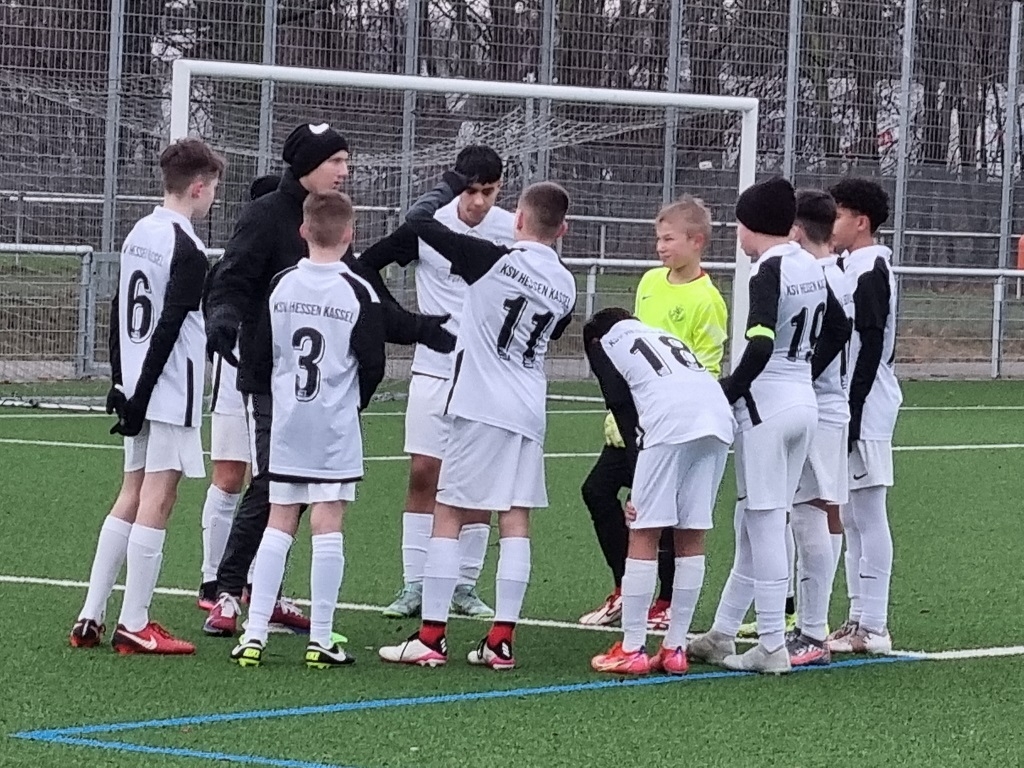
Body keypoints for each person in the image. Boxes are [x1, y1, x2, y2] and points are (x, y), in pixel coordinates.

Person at [203, 122, 456, 637]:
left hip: (316, 391)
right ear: (308, 166)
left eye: (345, 161)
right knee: (272, 484)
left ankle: (263, 593)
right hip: (268, 379)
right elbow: (231, 277)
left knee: (291, 491)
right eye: (336, 161)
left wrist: (424, 329)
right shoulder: (266, 214)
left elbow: (368, 301)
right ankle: (225, 591)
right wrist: (223, 320)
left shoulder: (328, 222)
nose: (344, 171)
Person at [378, 173, 576, 670]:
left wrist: (450, 187)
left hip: (480, 404)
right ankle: (500, 641)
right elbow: (555, 328)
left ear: (518, 219)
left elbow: (419, 222)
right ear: (563, 230)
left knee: (448, 510)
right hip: (528, 409)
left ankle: (431, 637)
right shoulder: (567, 283)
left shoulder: (490, 260)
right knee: (515, 517)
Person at [69, 138, 224, 654]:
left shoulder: (140, 231)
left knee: (130, 492)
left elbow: (119, 308)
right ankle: (134, 621)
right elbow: (171, 324)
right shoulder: (187, 247)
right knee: (159, 496)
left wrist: (121, 381)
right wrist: (141, 392)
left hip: (138, 383)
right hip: (169, 389)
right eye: (213, 188)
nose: (213, 197)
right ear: (198, 187)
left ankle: (91, 612)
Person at [687, 176, 847, 674]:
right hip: (803, 403)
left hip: (767, 407)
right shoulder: (810, 264)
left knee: (764, 521)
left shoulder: (767, 270)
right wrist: (801, 370)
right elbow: (839, 327)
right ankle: (723, 633)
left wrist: (727, 391)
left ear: (750, 224)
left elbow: (759, 345)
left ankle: (773, 645)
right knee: (758, 523)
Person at [230, 191, 386, 668]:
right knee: (327, 521)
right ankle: (320, 639)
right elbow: (374, 364)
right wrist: (353, 403)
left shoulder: (281, 285)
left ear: (303, 232)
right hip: (334, 425)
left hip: (288, 422)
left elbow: (259, 352)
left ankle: (254, 634)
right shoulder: (359, 290)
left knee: (279, 520)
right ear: (350, 235)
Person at [360, 146, 516, 620]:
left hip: (487, 375)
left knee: (478, 481)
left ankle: (465, 585)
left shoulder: (511, 229)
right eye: (471, 190)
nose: (479, 202)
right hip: (434, 368)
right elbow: (368, 264)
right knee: (425, 472)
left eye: (489, 191)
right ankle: (414, 582)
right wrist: (408, 321)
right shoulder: (429, 225)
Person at [579, 196, 728, 632]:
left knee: (660, 514)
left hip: (670, 423)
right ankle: (625, 587)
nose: (660, 247)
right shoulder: (648, 282)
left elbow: (707, 365)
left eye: (669, 239)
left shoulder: (707, 299)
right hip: (632, 420)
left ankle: (664, 600)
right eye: (658, 239)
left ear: (696, 241)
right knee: (597, 492)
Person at [583, 308, 733, 676]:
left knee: (644, 529)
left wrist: (638, 481)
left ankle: (632, 648)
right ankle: (675, 647)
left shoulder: (604, 342)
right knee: (691, 532)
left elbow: (621, 406)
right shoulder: (660, 334)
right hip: (717, 418)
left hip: (669, 420)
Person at [825, 178, 901, 655]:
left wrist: (854, 406)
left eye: (838, 214)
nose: (830, 223)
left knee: (869, 514)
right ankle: (857, 617)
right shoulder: (847, 266)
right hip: (851, 398)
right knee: (850, 515)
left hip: (868, 402)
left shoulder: (871, 267)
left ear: (861, 222)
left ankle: (875, 623)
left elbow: (871, 343)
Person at [197, 176, 278, 610]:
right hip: (234, 377)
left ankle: (257, 582)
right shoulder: (233, 264)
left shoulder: (295, 261)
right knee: (229, 477)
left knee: (270, 484)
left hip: (276, 381)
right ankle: (213, 580)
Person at [785, 189, 854, 666]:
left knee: (806, 512)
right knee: (820, 510)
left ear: (795, 230)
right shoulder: (838, 273)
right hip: (831, 403)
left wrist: (797, 375)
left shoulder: (817, 276)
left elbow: (836, 333)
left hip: (818, 402)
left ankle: (811, 631)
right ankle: (812, 625)